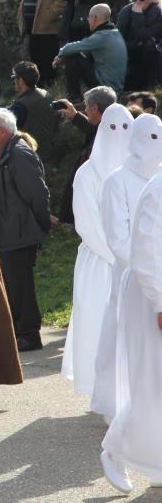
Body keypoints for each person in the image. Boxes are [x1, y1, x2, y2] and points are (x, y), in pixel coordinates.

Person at [99, 117, 162, 495]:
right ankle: (114, 451)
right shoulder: (157, 191)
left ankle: (156, 461)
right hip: (150, 297)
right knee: (151, 386)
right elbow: (146, 252)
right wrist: (159, 300)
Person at [62, 103, 133, 395]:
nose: (120, 135)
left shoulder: (143, 172)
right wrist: (119, 255)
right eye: (112, 128)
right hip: (100, 262)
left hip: (134, 263)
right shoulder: (87, 174)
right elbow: (88, 223)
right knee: (97, 326)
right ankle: (100, 392)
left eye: (126, 128)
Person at [0, 108, 51, 351]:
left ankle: (29, 335)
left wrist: (40, 228)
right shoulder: (5, 153)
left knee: (21, 286)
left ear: (2, 132)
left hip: (19, 234)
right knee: (12, 285)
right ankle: (18, 333)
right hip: (6, 233)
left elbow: (37, 194)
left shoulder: (19, 154)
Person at [56, 86, 118, 224]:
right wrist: (74, 115)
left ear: (95, 108)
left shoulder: (106, 136)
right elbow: (94, 130)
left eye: (87, 107)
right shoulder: (113, 128)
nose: (85, 110)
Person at [0, 61, 60, 163]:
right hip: (50, 152)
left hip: (29, 156)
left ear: (21, 81)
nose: (13, 81)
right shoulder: (47, 94)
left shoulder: (21, 106)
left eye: (14, 77)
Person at [54, 3, 127, 98]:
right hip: (116, 86)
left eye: (89, 17)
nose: (88, 21)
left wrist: (60, 56)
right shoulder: (115, 33)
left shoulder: (101, 37)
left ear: (95, 18)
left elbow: (69, 48)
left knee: (73, 56)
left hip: (106, 87)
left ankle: (74, 96)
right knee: (76, 54)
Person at [17, 0, 65, 85]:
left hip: (48, 28)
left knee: (47, 61)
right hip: (31, 27)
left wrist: (47, 17)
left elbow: (60, 3)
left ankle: (49, 88)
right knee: (35, 60)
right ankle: (38, 87)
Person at [117, 0, 162, 91]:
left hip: (153, 54)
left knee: (149, 45)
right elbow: (119, 37)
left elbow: (143, 35)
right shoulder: (126, 11)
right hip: (132, 50)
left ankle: (153, 83)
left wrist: (138, 15)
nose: (137, 2)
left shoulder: (157, 12)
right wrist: (136, 44)